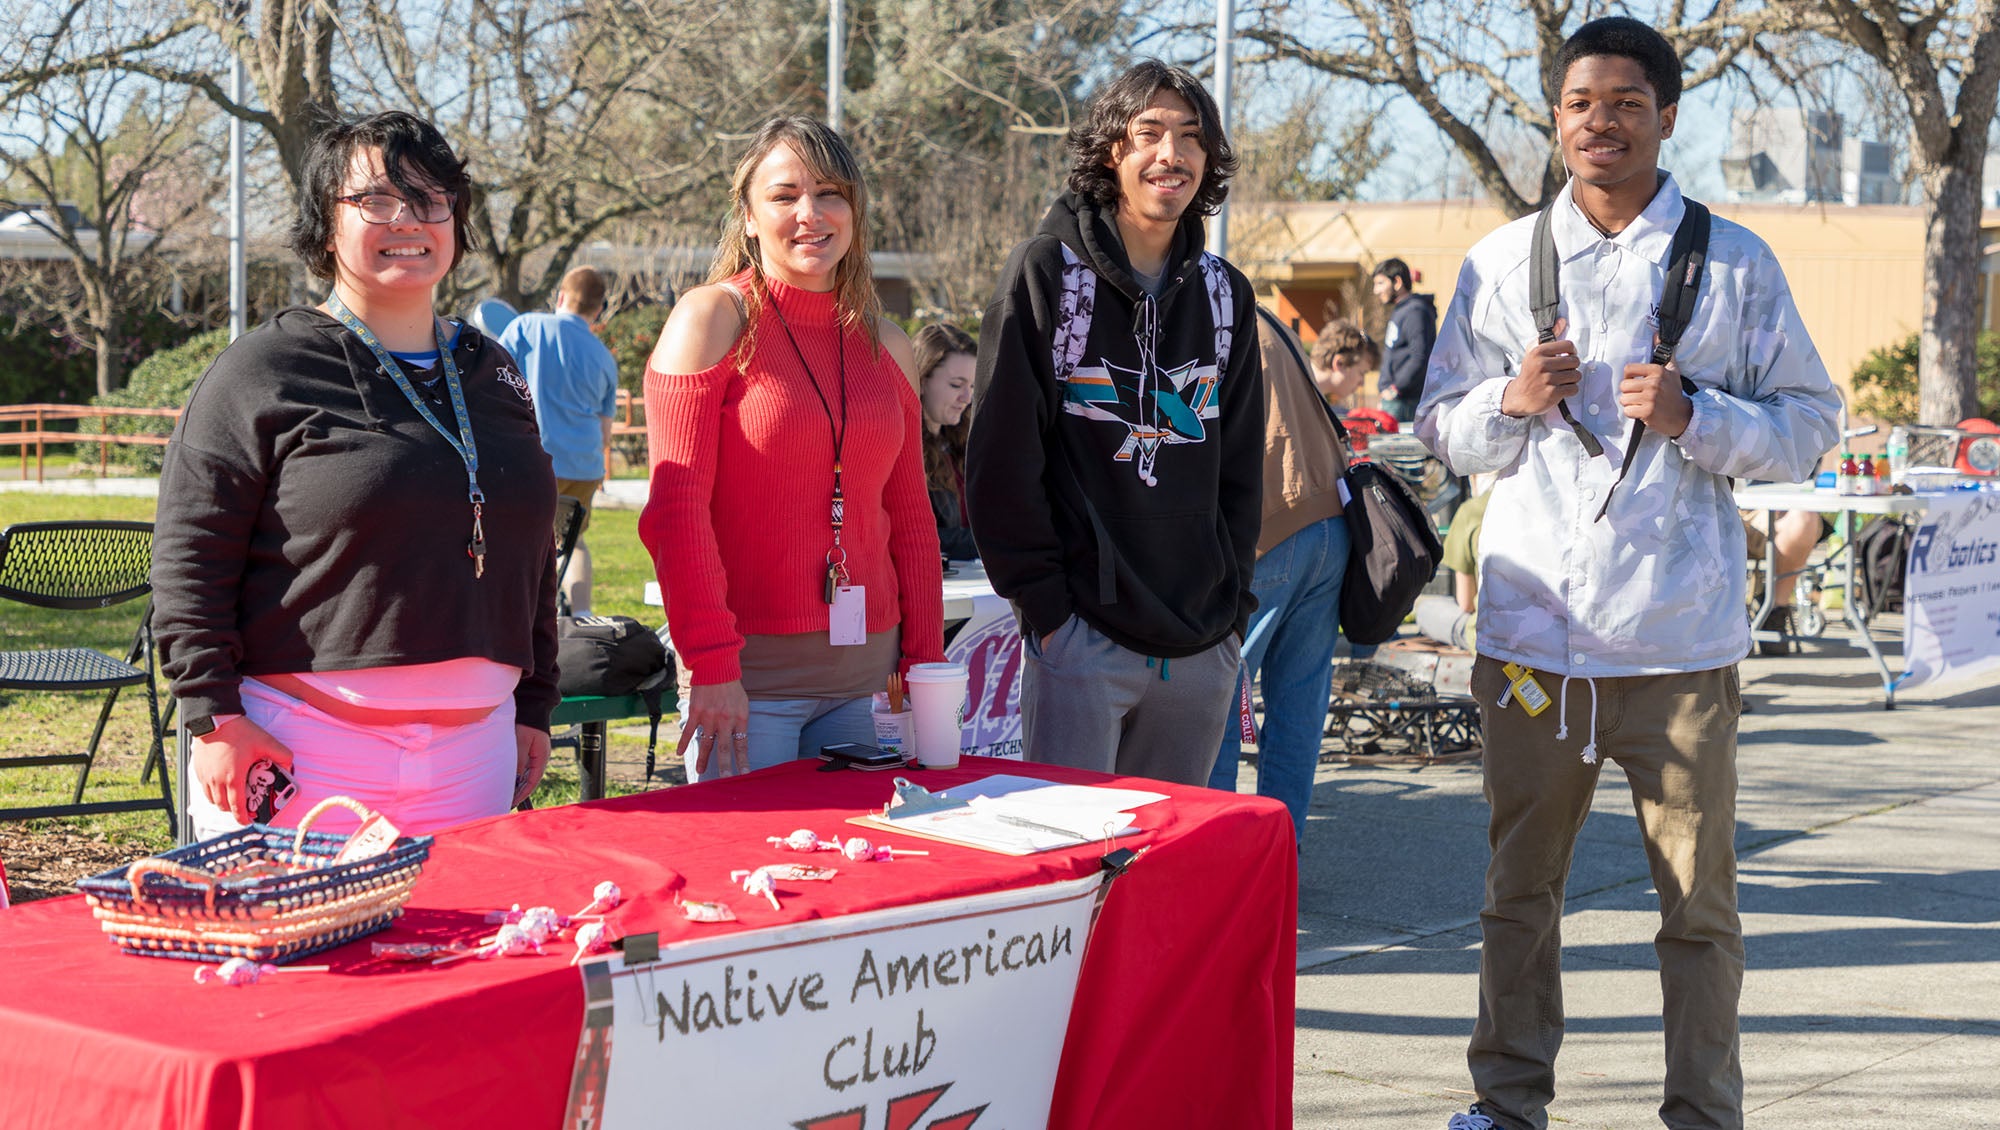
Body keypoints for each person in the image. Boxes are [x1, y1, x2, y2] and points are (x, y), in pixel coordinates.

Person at [1418, 19, 1841, 1130]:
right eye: (1577, 102)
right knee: (1516, 894)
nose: (1597, 122)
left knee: (1698, 907)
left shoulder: (1734, 261)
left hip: (1678, 641)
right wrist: (1506, 400)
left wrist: (1697, 415)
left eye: (1622, 103)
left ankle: (1702, 1109)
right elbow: (1436, 424)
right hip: (1532, 637)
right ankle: (1503, 1102)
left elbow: (1808, 427)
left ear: (1664, 115)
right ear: (1553, 117)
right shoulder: (1500, 262)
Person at [152, 111, 558, 838]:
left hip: (475, 758)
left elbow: (531, 553)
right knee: (300, 956)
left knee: (466, 953)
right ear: (324, 225)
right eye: (376, 199)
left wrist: (533, 706)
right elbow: (190, 556)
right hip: (304, 755)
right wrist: (213, 719)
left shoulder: (493, 370)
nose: (408, 218)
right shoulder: (262, 370)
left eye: (432, 199)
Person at [965, 60, 1262, 787]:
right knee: (1067, 866)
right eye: (1150, 133)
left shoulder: (1226, 295)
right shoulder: (1048, 273)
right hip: (1082, 640)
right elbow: (1000, 461)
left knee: (1163, 874)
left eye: (1191, 137)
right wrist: (1049, 614)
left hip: (1200, 643)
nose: (1173, 154)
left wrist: (1230, 615)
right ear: (1111, 152)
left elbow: (1242, 473)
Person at [637, 115, 944, 781]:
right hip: (750, 690)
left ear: (855, 211)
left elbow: (912, 518)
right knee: (755, 878)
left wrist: (923, 665)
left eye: (831, 193)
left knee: (876, 878)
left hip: (872, 687)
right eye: (784, 196)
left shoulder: (886, 343)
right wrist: (713, 667)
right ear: (748, 216)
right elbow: (675, 513)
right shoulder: (713, 319)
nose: (811, 213)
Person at [1205, 307, 1350, 843]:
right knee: (1298, 709)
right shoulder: (1270, 320)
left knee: (1217, 700)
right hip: (1329, 521)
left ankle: (1218, 861)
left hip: (1270, 526)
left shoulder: (1212, 318)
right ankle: (1278, 858)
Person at [497, 265, 621, 615]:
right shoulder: (603, 358)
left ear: (561, 296)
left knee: (521, 539)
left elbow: (491, 380)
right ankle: (580, 617)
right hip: (583, 466)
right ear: (598, 310)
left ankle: (521, 614)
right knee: (573, 540)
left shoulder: (527, 326)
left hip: (532, 459)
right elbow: (605, 431)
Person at [913, 323, 978, 561]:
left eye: (971, 386)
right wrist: (988, 542)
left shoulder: (960, 441)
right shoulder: (903, 449)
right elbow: (916, 534)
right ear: (921, 379)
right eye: (956, 385)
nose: (966, 398)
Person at [1372, 257, 1437, 423]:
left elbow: (1420, 356)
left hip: (1405, 402)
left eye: (1380, 283)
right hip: (1395, 401)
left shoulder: (1415, 311)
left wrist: (1395, 389)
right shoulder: (1402, 310)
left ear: (1397, 282)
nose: (1376, 290)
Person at [1310, 319, 1377, 409]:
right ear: (1340, 363)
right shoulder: (1297, 397)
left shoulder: (1307, 394)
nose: (1362, 383)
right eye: (1362, 373)